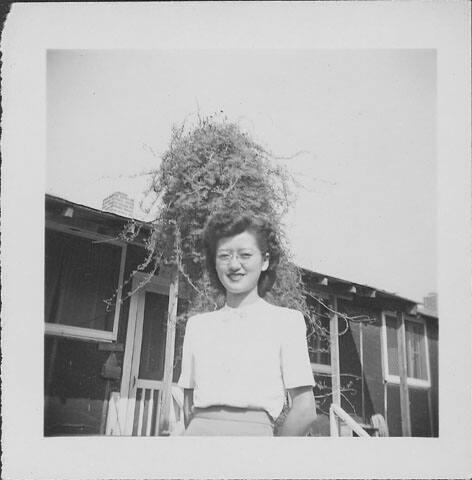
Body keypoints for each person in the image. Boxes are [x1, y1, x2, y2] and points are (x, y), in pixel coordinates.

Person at [178, 211, 317, 436]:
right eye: (224, 255)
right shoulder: (197, 326)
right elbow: (187, 406)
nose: (234, 265)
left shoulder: (286, 322)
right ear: (214, 263)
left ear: (265, 261)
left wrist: (270, 460)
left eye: (245, 254)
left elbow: (305, 409)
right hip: (197, 443)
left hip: (254, 448)